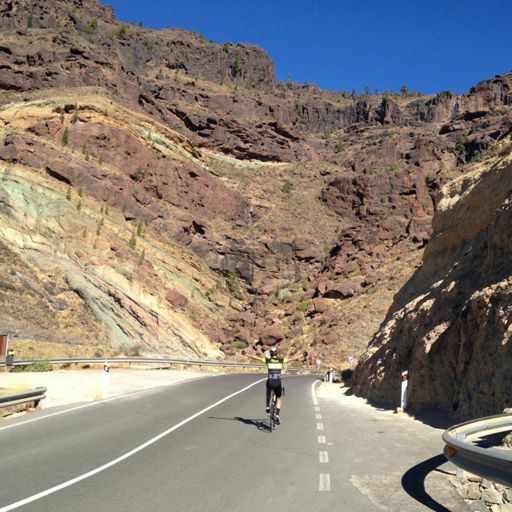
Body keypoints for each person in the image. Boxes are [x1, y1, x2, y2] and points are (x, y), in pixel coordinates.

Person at [244, 347, 307, 424]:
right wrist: (302, 355)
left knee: (268, 392)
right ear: (276, 354)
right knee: (279, 399)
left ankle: (267, 406)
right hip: (277, 383)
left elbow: (256, 358)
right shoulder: (281, 360)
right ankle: (277, 415)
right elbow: (292, 359)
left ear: (270, 354)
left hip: (270, 382)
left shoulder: (267, 360)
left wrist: (246, 354)